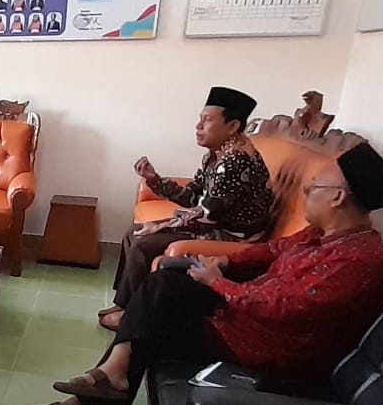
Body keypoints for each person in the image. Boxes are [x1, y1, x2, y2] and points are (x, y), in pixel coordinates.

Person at [16, 143, 383, 405]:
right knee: (166, 282)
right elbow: (271, 250)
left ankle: (90, 395)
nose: (305, 194)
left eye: (311, 188)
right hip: (247, 317)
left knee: (154, 316)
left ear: (337, 198)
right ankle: (107, 377)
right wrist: (228, 263)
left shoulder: (357, 260)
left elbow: (285, 307)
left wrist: (220, 284)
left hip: (267, 346)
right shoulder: (321, 234)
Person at [100, 87, 272, 332]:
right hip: (214, 224)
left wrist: (161, 225)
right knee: (133, 232)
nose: (198, 126)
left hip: (232, 236)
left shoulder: (236, 160)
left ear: (233, 126)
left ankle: (133, 315)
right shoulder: (216, 155)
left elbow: (208, 216)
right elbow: (191, 197)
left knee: (143, 243)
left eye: (207, 120)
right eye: (200, 119)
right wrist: (154, 179)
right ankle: (124, 304)